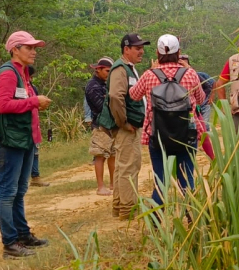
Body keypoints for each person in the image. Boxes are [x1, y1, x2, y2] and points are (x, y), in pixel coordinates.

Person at [0, 31, 52, 258]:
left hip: (24, 138)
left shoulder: (22, 73)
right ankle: (10, 243)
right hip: (11, 140)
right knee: (8, 191)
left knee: (20, 190)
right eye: (29, 48)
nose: (34, 52)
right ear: (15, 49)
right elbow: (3, 105)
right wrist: (35, 101)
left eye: (35, 48)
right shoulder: (7, 73)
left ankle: (23, 235)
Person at [131, 35, 205, 205]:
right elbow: (201, 99)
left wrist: (153, 70)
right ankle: (192, 218)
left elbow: (134, 95)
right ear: (179, 52)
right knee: (187, 181)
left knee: (160, 182)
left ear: (157, 53)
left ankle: (157, 223)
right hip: (186, 136)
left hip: (158, 136)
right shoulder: (190, 74)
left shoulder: (149, 75)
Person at [97, 33, 149, 219]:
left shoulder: (128, 68)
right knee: (129, 167)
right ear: (126, 49)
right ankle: (128, 210)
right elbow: (115, 97)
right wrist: (123, 122)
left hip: (129, 126)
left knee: (123, 166)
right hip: (127, 128)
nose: (141, 51)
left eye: (142, 47)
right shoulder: (120, 69)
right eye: (137, 48)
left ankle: (120, 207)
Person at [85, 56, 116, 196]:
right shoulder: (92, 86)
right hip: (100, 125)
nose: (109, 74)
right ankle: (100, 186)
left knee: (113, 155)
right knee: (100, 155)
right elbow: (100, 107)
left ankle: (113, 183)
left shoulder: (106, 84)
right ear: (99, 70)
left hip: (112, 125)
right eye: (108, 71)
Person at [26, 68, 50, 188]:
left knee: (35, 152)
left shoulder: (32, 88)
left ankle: (35, 177)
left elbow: (37, 105)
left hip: (34, 123)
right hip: (23, 126)